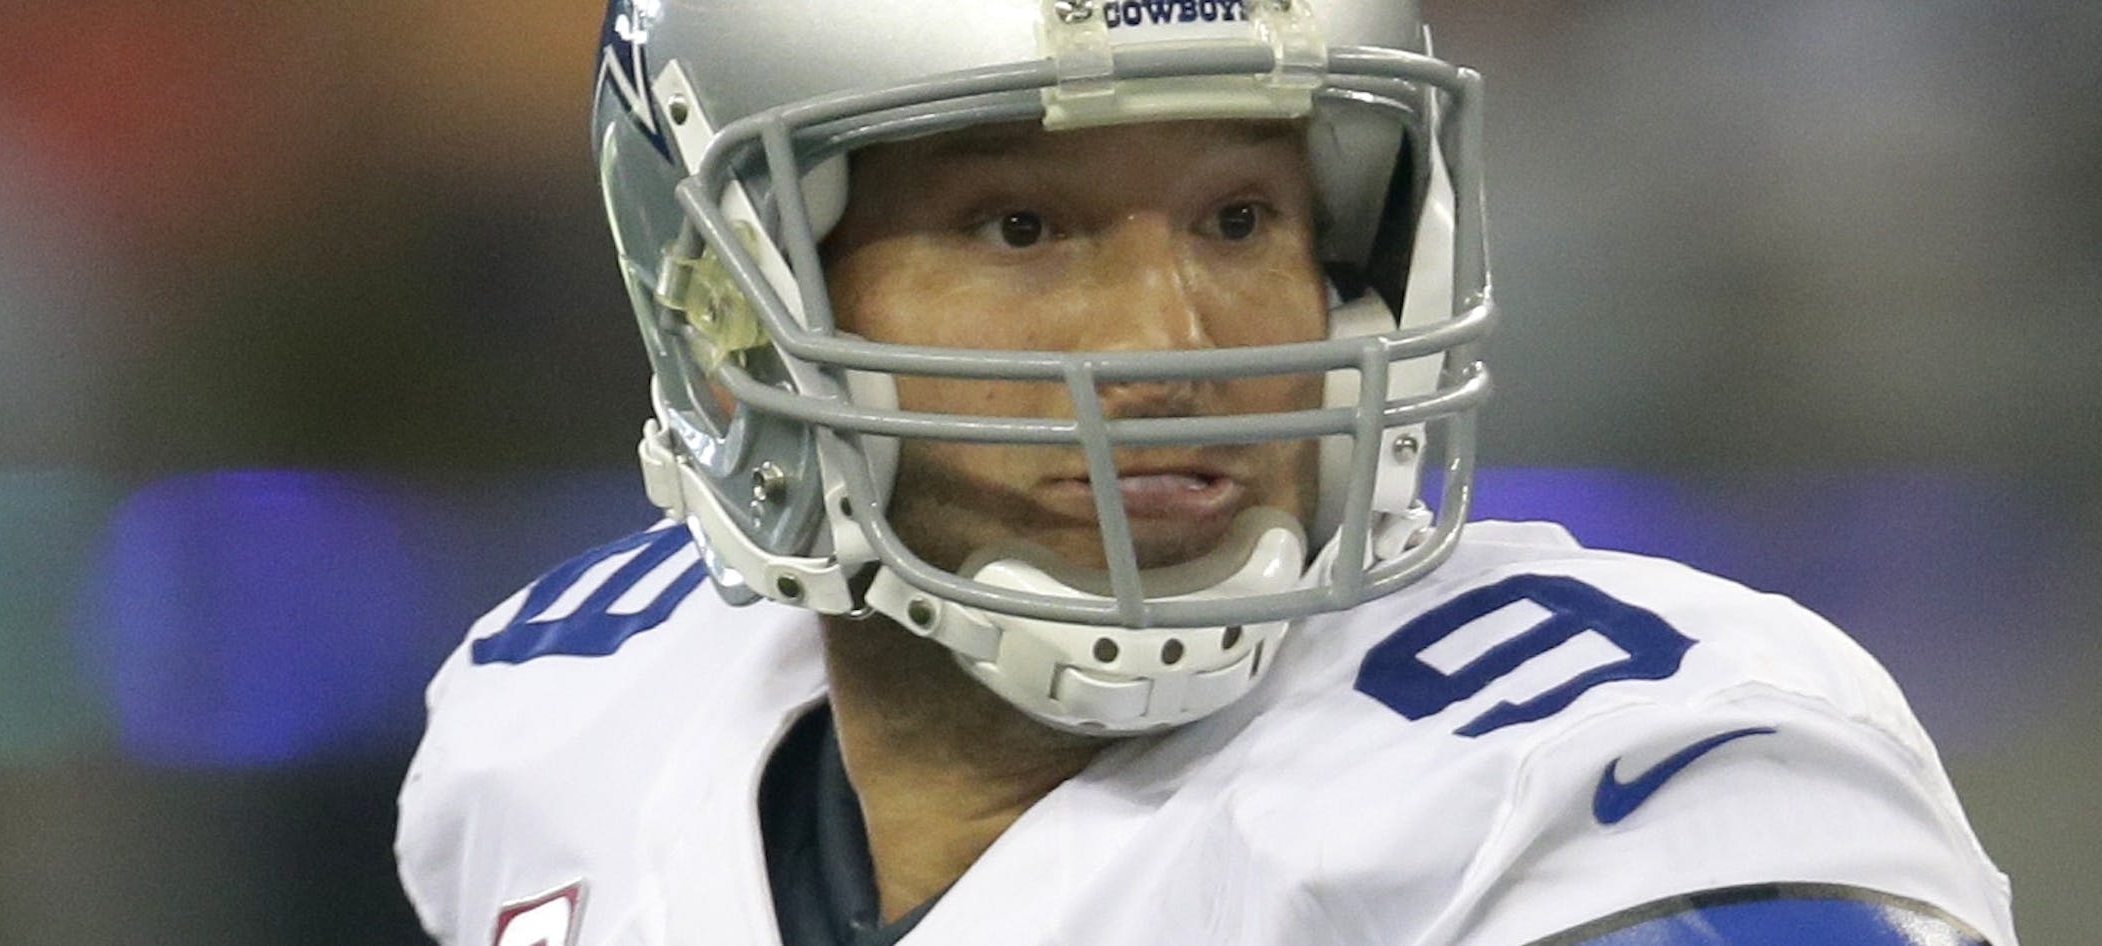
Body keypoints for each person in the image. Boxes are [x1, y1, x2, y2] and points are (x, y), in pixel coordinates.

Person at [395, 1, 2020, 943]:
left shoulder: (1591, 792)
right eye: (1020, 226)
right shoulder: (560, 729)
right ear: (734, 304)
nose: (1172, 337)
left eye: (1241, 219)